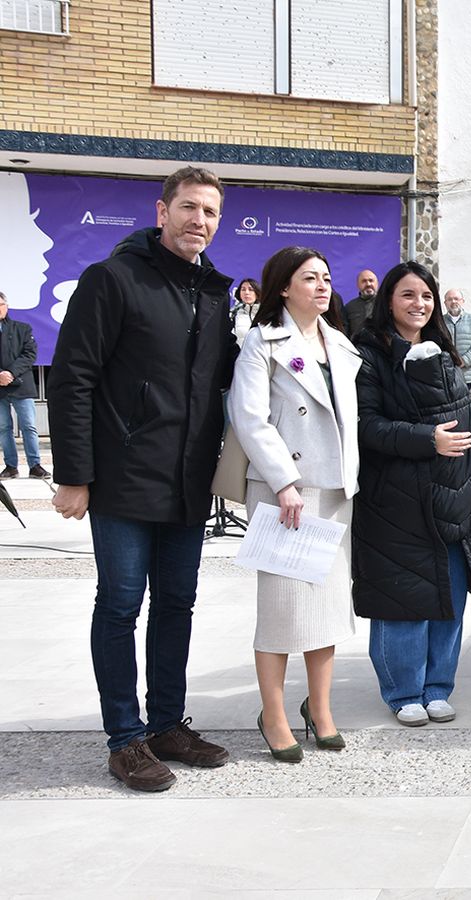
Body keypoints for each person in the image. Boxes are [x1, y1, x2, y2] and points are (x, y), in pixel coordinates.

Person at [49, 166, 235, 791]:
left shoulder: (213, 293)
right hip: (124, 478)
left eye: (209, 212)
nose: (198, 221)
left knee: (177, 605)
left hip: (187, 480)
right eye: (188, 208)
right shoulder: (113, 279)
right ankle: (125, 739)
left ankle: (165, 725)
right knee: (122, 604)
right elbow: (73, 376)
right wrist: (74, 475)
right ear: (162, 212)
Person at [229, 246, 360, 760]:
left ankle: (320, 709)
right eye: (310, 278)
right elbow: (249, 418)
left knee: (325, 611)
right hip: (286, 492)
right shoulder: (262, 342)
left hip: (332, 492)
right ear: (284, 287)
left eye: (327, 277)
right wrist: (283, 480)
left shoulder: (342, 345)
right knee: (282, 613)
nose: (323, 286)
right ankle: (274, 713)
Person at [351, 261, 471, 726]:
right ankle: (402, 690)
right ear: (388, 299)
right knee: (402, 597)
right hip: (395, 498)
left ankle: (437, 686)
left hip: (449, 495)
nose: (419, 304)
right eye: (408, 295)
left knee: (449, 594)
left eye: (426, 296)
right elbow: (365, 426)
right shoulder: (368, 355)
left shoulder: (444, 353)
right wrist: (427, 439)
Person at [0, 291, 47, 479]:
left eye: (0, 304)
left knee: (29, 426)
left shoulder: (22, 328)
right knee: (3, 427)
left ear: (7, 306)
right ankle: (11, 466)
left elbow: (29, 354)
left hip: (20, 385)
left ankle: (35, 465)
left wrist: (10, 373)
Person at [443, 288, 471, 369]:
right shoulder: (440, 322)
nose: (453, 301)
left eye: (456, 299)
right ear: (445, 303)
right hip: (446, 375)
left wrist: (463, 361)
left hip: (469, 375)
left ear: (462, 301)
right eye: (449, 299)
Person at [342, 268, 379, 336]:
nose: (368, 284)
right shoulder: (349, 307)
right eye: (364, 281)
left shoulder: (386, 303)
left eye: (371, 281)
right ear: (358, 285)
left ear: (377, 284)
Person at [230, 278, 262, 346]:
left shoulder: (265, 313)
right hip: (240, 355)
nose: (246, 293)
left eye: (251, 289)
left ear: (257, 292)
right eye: (243, 289)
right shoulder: (233, 314)